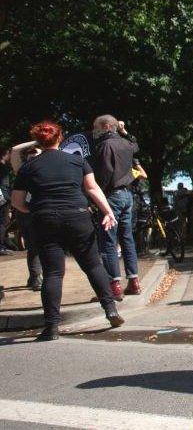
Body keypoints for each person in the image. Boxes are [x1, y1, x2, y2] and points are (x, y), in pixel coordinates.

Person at [9, 121, 125, 340]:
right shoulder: (76, 160)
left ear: (38, 141)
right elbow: (92, 188)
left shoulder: (29, 167)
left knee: (53, 273)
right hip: (77, 215)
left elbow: (17, 202)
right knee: (92, 265)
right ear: (60, 137)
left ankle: (51, 327)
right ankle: (110, 309)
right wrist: (108, 212)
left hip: (45, 220)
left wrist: (36, 210)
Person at [91, 115, 141, 299]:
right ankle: (134, 281)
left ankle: (114, 286)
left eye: (95, 127)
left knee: (108, 242)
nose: (93, 130)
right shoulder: (126, 144)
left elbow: (104, 174)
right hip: (128, 195)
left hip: (111, 195)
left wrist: (97, 198)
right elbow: (136, 145)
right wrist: (124, 130)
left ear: (104, 126)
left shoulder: (104, 146)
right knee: (127, 238)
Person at [9, 141, 44, 290]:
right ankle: (37, 277)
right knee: (34, 246)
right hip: (26, 212)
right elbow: (15, 150)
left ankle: (35, 276)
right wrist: (37, 141)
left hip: (41, 211)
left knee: (40, 246)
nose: (33, 156)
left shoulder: (46, 168)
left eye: (36, 154)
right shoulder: (23, 169)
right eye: (30, 155)